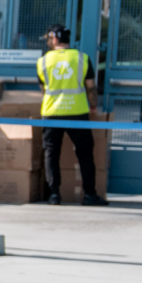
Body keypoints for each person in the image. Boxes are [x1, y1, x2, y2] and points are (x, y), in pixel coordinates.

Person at [38, 23, 106, 206]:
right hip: (77, 112)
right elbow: (91, 88)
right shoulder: (82, 58)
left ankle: (54, 195)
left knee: (51, 153)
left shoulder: (43, 61)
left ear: (54, 39)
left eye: (48, 39)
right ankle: (89, 195)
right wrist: (93, 107)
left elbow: (44, 90)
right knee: (85, 154)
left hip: (51, 113)